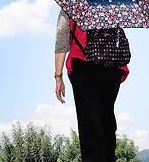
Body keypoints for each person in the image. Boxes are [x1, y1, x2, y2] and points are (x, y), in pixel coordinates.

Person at [54, 9, 129, 162]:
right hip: (112, 67)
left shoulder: (72, 1)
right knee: (106, 120)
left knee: (90, 125)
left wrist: (58, 76)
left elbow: (62, 39)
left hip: (84, 66)